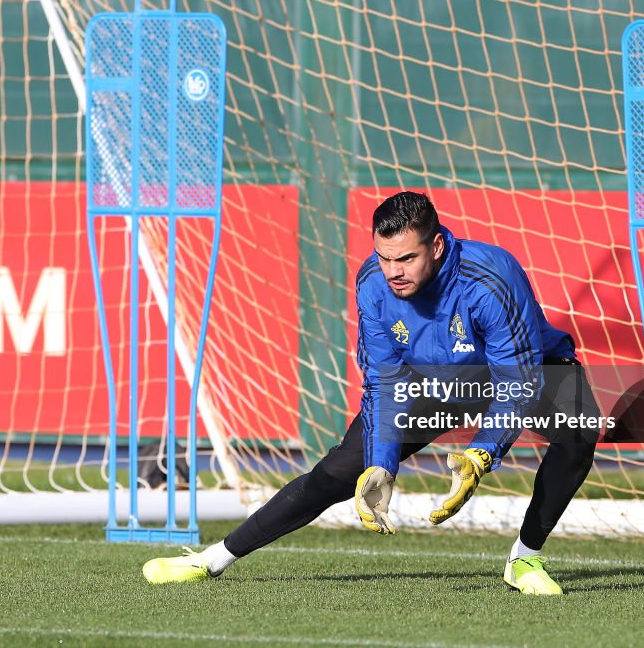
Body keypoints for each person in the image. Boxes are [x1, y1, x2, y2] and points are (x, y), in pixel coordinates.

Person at [142, 191, 600, 595]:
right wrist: (382, 462)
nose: (393, 272)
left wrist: (481, 453)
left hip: (525, 371)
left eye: (406, 259)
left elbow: (516, 381)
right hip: (435, 382)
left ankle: (524, 558)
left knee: (579, 426)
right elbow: (383, 379)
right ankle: (212, 559)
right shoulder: (374, 283)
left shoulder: (490, 279)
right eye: (384, 257)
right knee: (335, 474)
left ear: (436, 246)